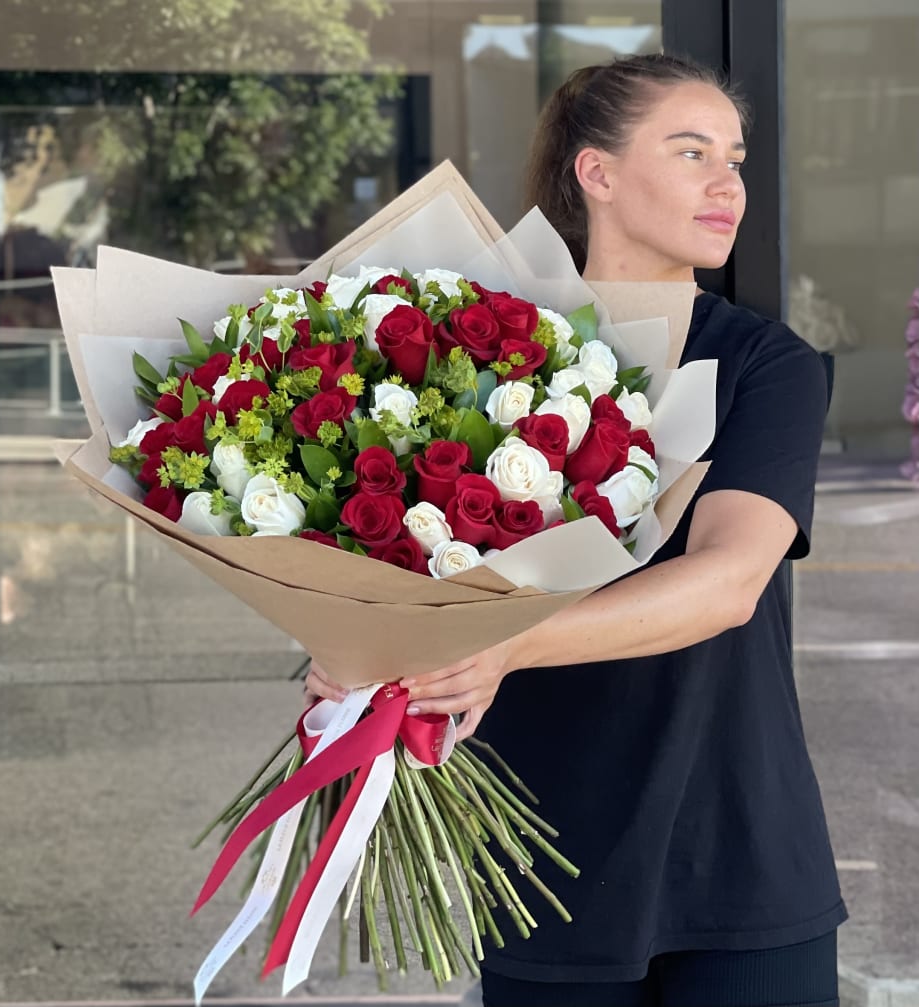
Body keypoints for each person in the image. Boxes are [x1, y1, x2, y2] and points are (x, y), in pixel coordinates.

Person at [307, 53, 847, 1007]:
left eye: (735, 157)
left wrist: (494, 650)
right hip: (542, 850)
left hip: (737, 854)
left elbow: (729, 580)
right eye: (691, 152)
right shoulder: (474, 357)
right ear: (594, 173)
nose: (727, 183)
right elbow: (393, 561)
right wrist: (364, 655)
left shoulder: (764, 362)